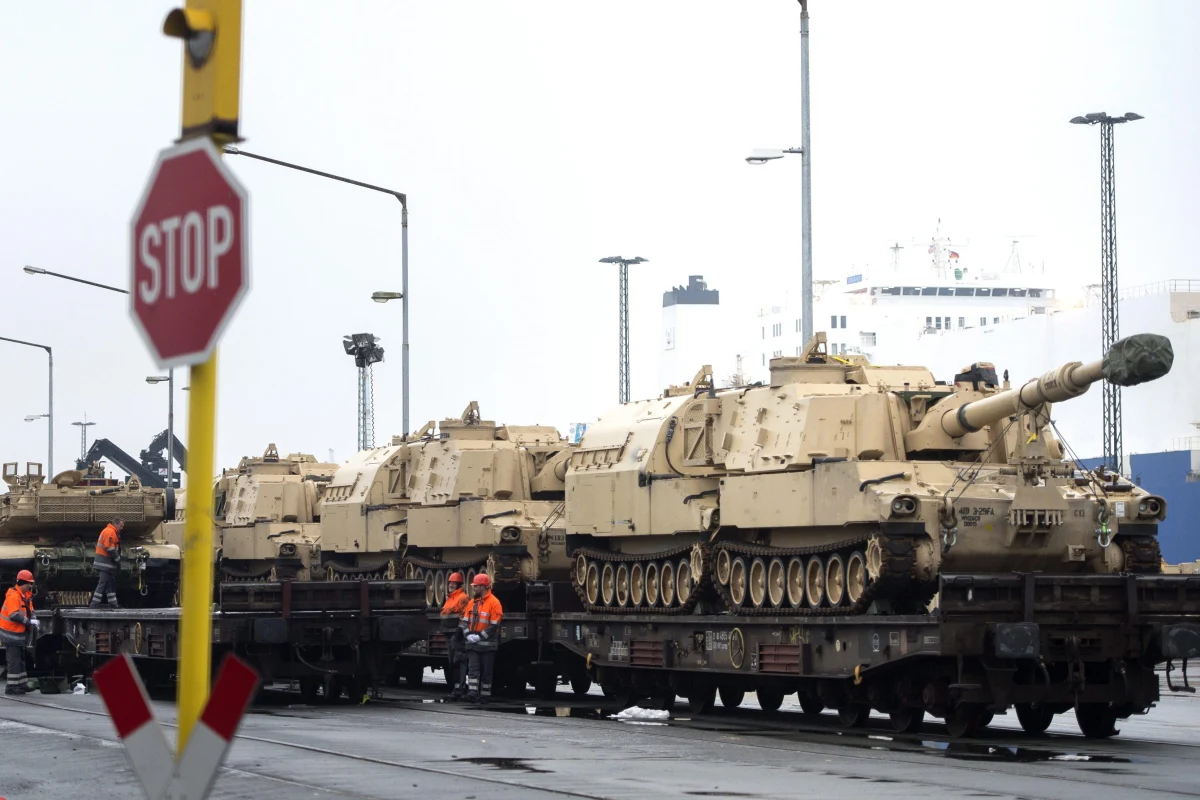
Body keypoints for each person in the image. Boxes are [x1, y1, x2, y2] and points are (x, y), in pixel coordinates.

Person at [460, 572, 503, 705]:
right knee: (473, 670)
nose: (473, 588)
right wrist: (468, 635)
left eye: (476, 586)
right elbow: (464, 622)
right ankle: (472, 694)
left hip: (487, 646)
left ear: (484, 587)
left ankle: (484, 696)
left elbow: (494, 625)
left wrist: (479, 637)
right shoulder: (472, 603)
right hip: (473, 645)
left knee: (486, 672)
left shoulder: (494, 603)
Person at [1, 570, 38, 695]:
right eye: (29, 583)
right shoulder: (14, 596)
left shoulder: (25, 595)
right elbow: (13, 615)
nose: (30, 586)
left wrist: (33, 618)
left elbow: (30, 610)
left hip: (19, 635)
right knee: (14, 661)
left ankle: (21, 684)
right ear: (23, 583)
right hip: (11, 634)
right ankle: (11, 687)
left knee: (20, 660)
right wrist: (29, 622)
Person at [440, 572, 470, 701]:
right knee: (452, 663)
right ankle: (457, 688)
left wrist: (459, 632)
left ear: (459, 585)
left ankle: (459, 689)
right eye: (450, 583)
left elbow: (464, 616)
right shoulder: (450, 598)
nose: (451, 585)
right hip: (449, 635)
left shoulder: (462, 598)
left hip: (456, 635)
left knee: (458, 662)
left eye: (454, 583)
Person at [90, 517, 124, 609]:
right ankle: (94, 605)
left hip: (107, 564)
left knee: (110, 584)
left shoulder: (111, 531)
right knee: (103, 583)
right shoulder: (110, 532)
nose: (122, 528)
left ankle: (113, 604)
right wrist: (117, 559)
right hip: (105, 563)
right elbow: (109, 547)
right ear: (115, 524)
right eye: (121, 526)